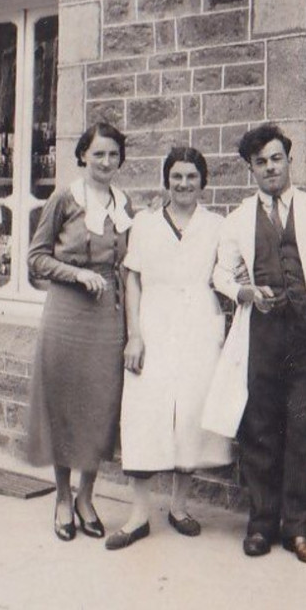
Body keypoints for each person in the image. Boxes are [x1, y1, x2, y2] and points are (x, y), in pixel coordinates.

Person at [203, 123, 306, 563]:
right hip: (261, 339)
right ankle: (260, 525)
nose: (270, 168)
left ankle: (300, 531)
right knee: (259, 432)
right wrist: (244, 293)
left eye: (276, 158)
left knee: (305, 432)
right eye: (261, 162)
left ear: (288, 160)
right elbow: (220, 272)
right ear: (251, 170)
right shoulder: (238, 219)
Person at [105, 147, 232, 549]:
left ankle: (178, 507)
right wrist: (135, 335)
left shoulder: (216, 225)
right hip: (155, 324)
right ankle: (139, 514)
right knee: (145, 412)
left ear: (203, 182)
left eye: (191, 177)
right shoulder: (145, 223)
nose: (183, 184)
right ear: (166, 181)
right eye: (176, 177)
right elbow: (133, 280)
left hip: (198, 324)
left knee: (190, 416)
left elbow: (227, 274)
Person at [22, 121, 133, 542]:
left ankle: (88, 496)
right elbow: (36, 257)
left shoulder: (125, 204)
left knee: (100, 407)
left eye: (113, 154)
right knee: (66, 405)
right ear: (83, 155)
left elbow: (128, 264)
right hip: (67, 314)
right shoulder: (65, 198)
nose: (105, 162)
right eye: (98, 153)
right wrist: (74, 274)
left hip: (107, 315)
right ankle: (63, 498)